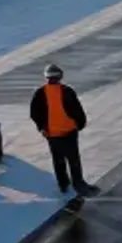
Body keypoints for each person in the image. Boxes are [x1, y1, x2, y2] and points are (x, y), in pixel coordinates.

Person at [29, 64, 96, 196]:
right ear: (60, 76)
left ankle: (63, 184)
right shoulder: (67, 91)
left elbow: (34, 113)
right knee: (73, 159)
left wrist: (41, 128)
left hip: (52, 134)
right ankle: (78, 183)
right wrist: (80, 123)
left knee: (58, 160)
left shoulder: (40, 93)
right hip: (69, 131)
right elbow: (77, 110)